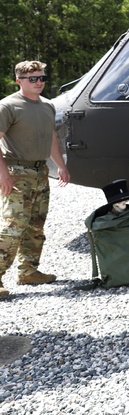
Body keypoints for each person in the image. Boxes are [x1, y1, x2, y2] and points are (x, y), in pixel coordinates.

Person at [0, 61, 71, 300]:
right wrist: (3, 174)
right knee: (13, 226)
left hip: (40, 173)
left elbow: (51, 137)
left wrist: (60, 166)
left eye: (42, 77)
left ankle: (28, 270)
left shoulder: (47, 106)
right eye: (33, 79)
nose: (39, 82)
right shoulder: (8, 106)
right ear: (19, 80)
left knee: (35, 224)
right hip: (17, 172)